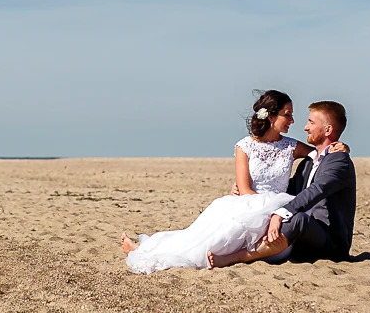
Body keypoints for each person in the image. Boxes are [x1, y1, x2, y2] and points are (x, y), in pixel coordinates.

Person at [120, 90, 345, 274]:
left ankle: (213, 256)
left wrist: (343, 147)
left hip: (277, 206)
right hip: (249, 202)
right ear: (271, 117)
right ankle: (147, 250)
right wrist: (266, 207)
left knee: (226, 238)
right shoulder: (244, 146)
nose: (293, 121)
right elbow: (245, 188)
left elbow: (320, 153)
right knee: (204, 235)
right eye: (287, 114)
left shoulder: (291, 146)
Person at [207, 100, 355, 268]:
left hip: (330, 244)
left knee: (297, 218)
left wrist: (281, 214)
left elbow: (317, 190)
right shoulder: (308, 162)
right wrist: (249, 189)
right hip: (301, 242)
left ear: (328, 129)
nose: (305, 127)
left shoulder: (339, 161)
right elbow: (288, 189)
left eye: (311, 123)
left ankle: (239, 257)